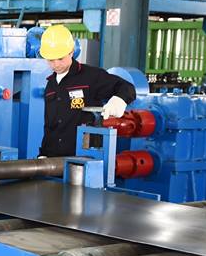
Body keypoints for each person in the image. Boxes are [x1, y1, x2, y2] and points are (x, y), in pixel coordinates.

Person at [37, 24, 137, 158]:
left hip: (84, 157)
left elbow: (127, 87)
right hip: (53, 158)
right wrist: (43, 153)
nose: (56, 64)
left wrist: (119, 100)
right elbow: (49, 126)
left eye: (60, 58)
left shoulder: (91, 77)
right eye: (51, 60)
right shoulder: (51, 85)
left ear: (71, 52)